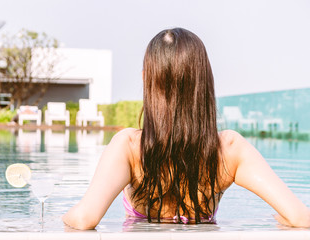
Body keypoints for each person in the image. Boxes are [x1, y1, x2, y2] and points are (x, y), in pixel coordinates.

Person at [62, 28, 310, 230]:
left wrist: (60, 217)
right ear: (204, 82)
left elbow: (84, 219)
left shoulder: (128, 146)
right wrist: (279, 220)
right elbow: (301, 218)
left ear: (146, 79)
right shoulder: (231, 149)